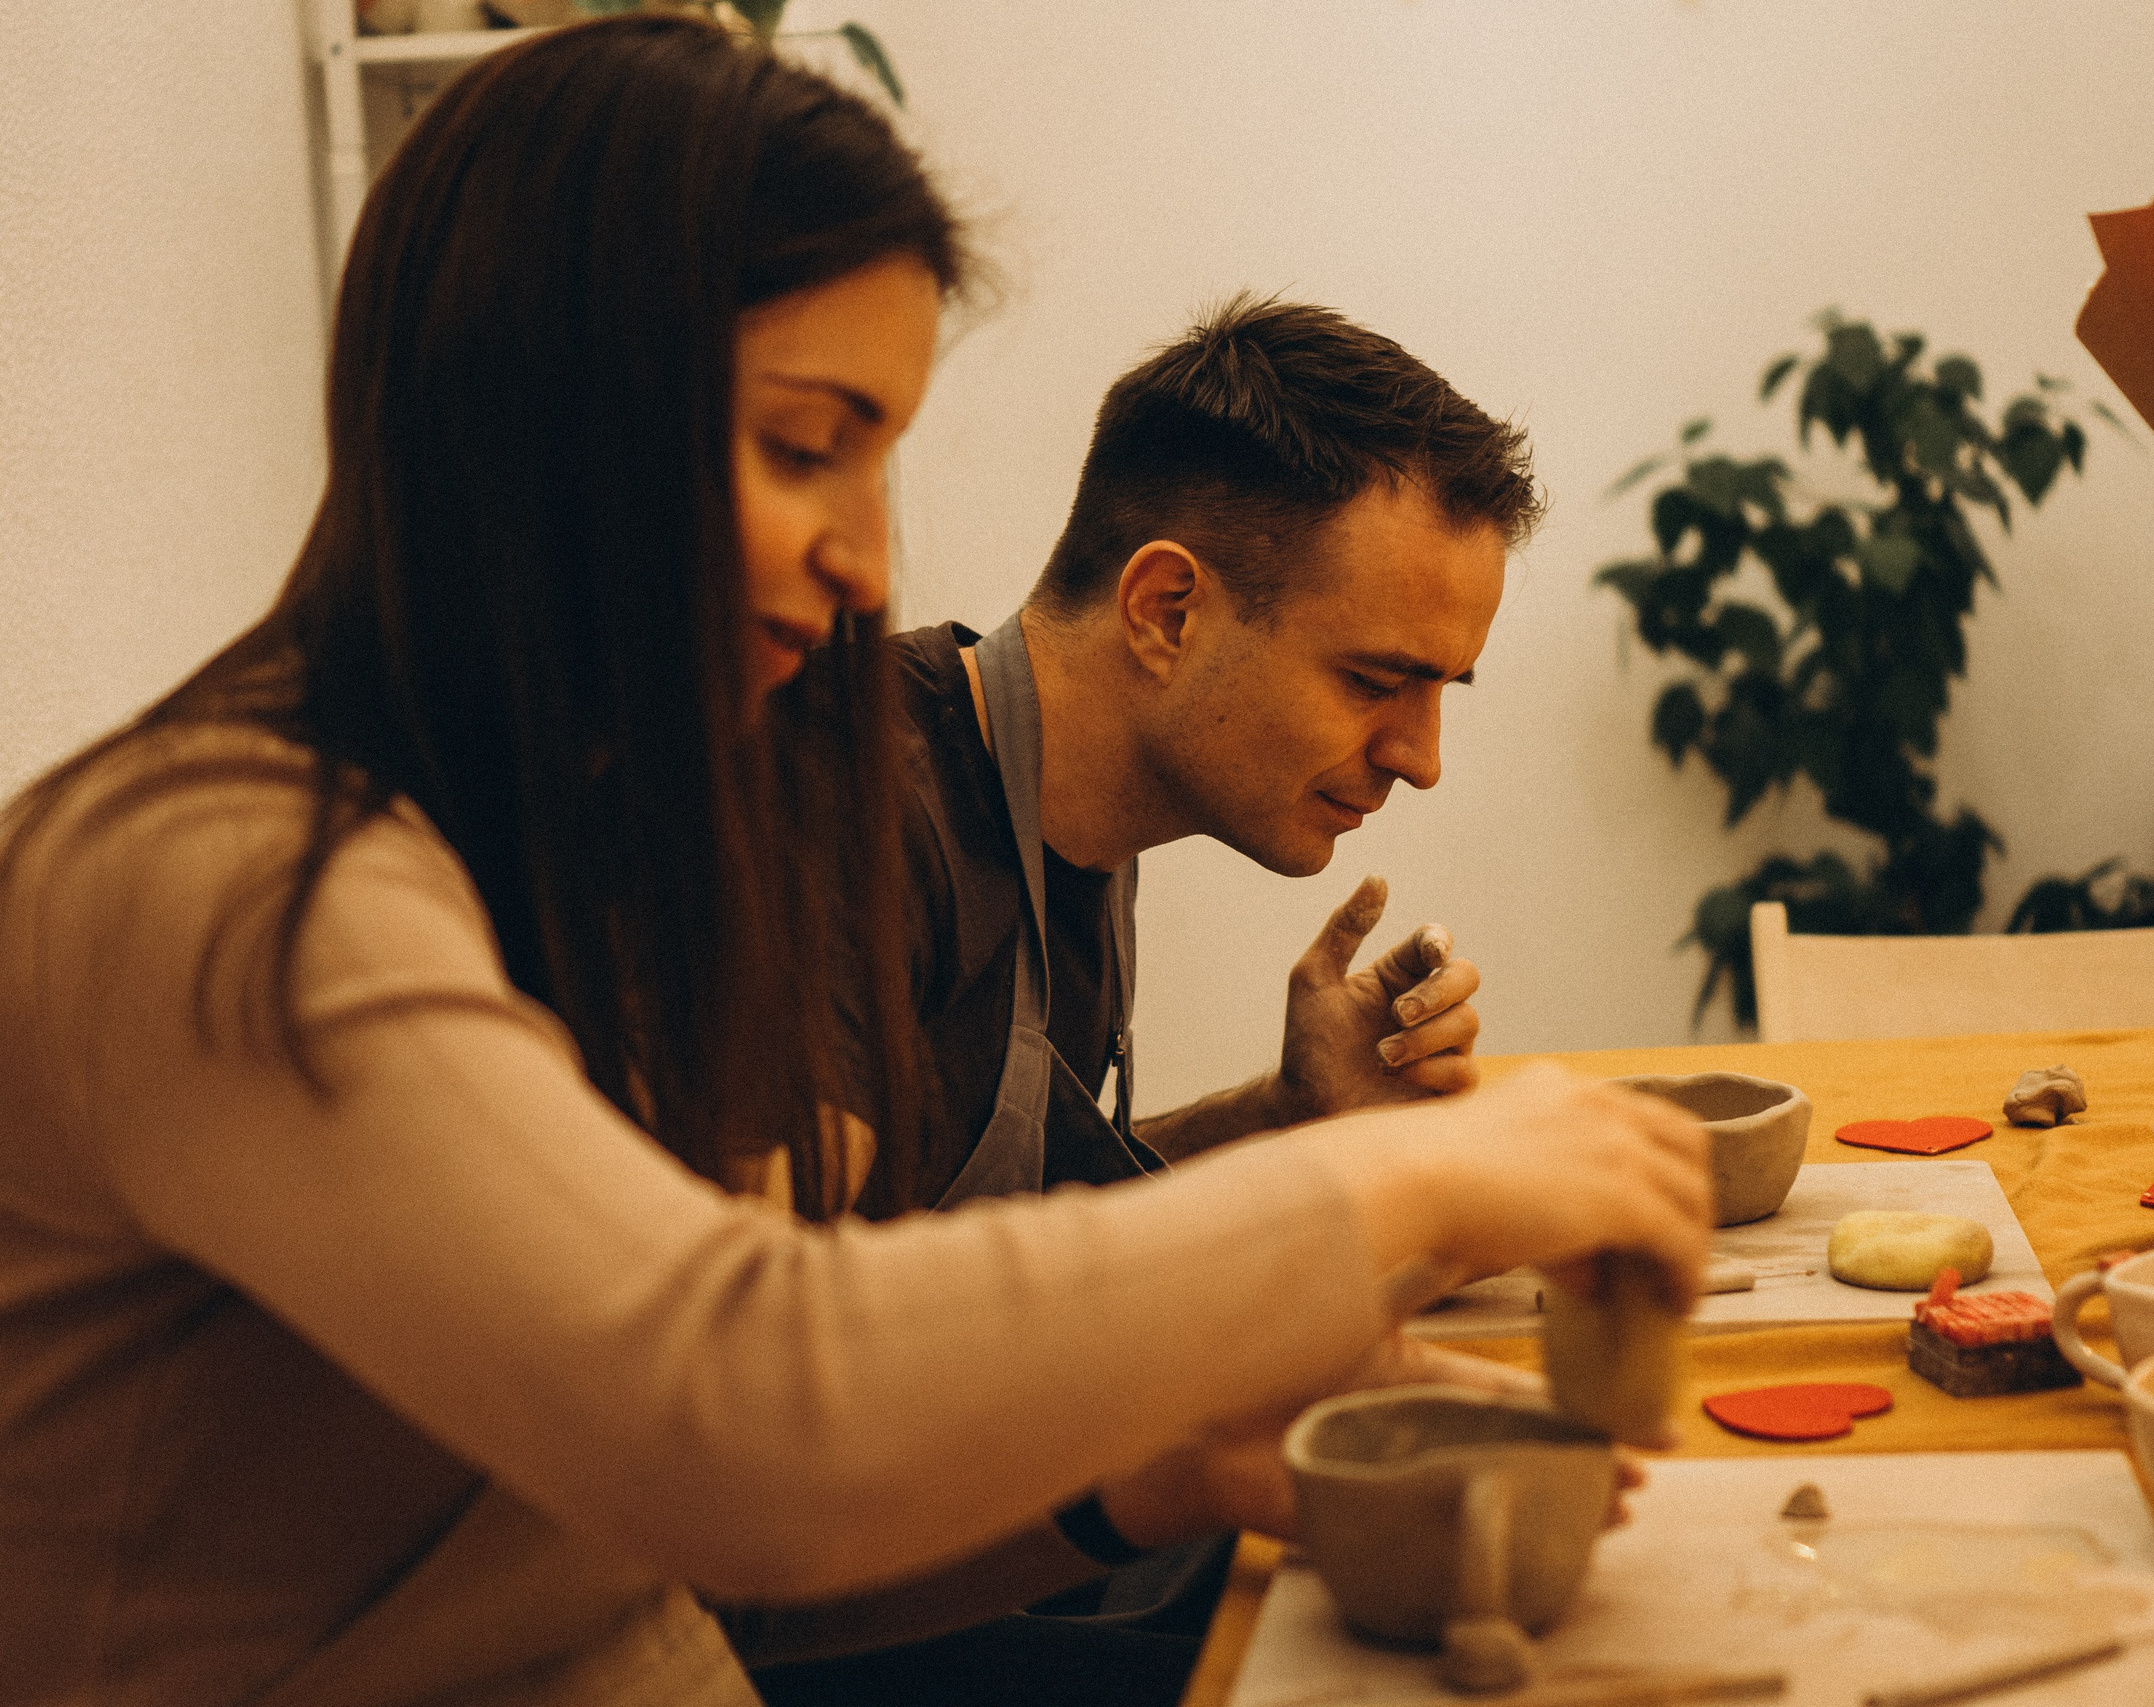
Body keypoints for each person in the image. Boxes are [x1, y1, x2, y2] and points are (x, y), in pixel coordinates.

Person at [0, 18, 1711, 1707]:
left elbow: (691, 1553)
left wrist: (1160, 1478)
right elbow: (744, 1402)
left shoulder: (534, 849)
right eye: (805, 447)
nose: (869, 557)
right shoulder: (233, 880)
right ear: (545, 407)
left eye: (881, 459)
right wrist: (1413, 1184)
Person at [864, 298, 1540, 1219]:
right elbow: (778, 1333)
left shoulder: (1086, 817)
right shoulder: (846, 812)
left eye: (1443, 689)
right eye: (1375, 681)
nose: (1421, 761)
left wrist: (1287, 1113)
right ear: (1166, 612)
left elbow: (1024, 1224)